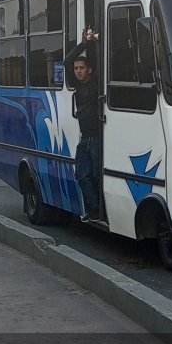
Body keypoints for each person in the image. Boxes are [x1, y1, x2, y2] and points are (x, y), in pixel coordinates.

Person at [64, 28, 101, 222]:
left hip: (97, 136)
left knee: (96, 174)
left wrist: (94, 42)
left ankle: (99, 210)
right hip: (85, 137)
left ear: (90, 70)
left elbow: (101, 60)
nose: (78, 71)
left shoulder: (96, 83)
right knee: (81, 175)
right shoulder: (78, 84)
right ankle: (93, 209)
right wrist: (84, 44)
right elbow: (67, 61)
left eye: (81, 68)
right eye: (76, 69)